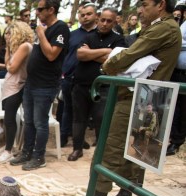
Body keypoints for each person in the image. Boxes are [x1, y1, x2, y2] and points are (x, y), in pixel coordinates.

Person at [69, 0, 181, 196]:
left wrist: (108, 64)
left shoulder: (164, 27)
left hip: (136, 96)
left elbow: (130, 54)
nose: (140, 10)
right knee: (138, 151)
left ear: (161, 5)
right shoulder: (166, 27)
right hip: (151, 95)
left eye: (145, 4)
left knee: (114, 146)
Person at [9, 0, 69, 171]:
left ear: (51, 10)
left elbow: (51, 55)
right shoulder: (43, 28)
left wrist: (41, 34)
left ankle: (39, 156)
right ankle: (26, 152)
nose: (37, 12)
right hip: (32, 83)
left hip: (46, 85)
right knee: (28, 121)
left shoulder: (60, 28)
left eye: (40, 9)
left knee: (40, 123)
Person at [68, 7, 125, 161]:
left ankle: (100, 153)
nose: (105, 23)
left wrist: (91, 53)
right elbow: (80, 54)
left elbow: (114, 61)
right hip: (81, 85)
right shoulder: (88, 36)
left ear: (115, 22)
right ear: (98, 19)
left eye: (109, 21)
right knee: (78, 119)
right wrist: (105, 52)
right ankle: (77, 149)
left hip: (104, 87)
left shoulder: (119, 40)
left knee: (101, 119)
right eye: (103, 20)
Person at [0, 21, 34, 164]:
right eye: (5, 33)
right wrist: (8, 49)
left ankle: (8, 151)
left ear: (18, 33)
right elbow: (8, 65)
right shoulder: (16, 48)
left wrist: (9, 53)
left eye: (9, 33)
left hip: (17, 86)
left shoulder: (25, 46)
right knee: (8, 118)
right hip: (11, 85)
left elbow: (11, 68)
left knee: (10, 119)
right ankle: (8, 146)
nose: (6, 36)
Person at [60, 3, 98, 148]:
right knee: (67, 109)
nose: (85, 17)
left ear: (96, 15)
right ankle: (64, 137)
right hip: (69, 79)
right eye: (82, 14)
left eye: (88, 14)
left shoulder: (99, 36)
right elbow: (63, 54)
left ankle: (79, 140)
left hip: (90, 81)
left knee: (84, 113)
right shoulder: (72, 34)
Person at [168, 0, 186, 155]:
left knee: (182, 110)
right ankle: (173, 138)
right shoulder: (181, 25)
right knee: (174, 107)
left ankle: (177, 140)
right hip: (176, 72)